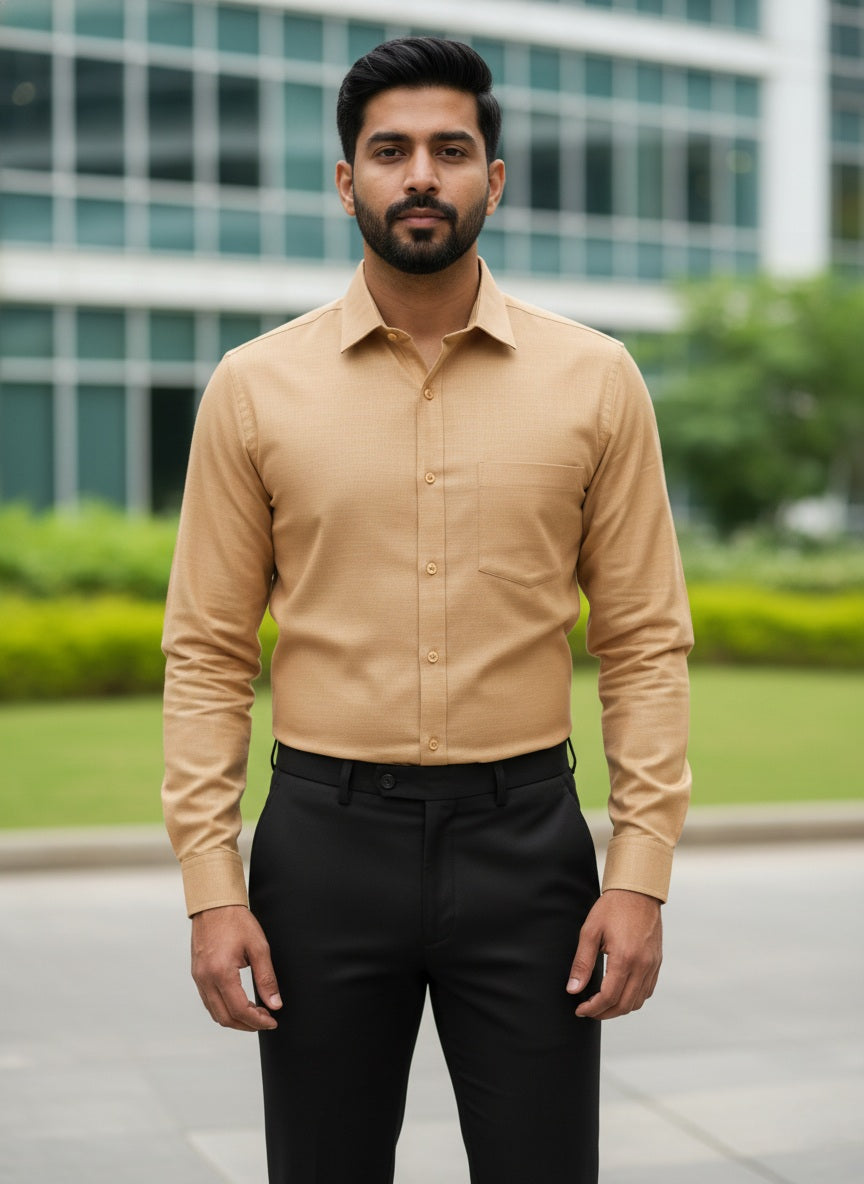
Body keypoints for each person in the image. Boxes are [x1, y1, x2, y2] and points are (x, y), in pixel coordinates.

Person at [161, 36, 692, 1184]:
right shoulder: (255, 388)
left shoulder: (596, 378)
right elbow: (205, 653)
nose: (421, 176)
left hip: (529, 845)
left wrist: (638, 871)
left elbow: (646, 640)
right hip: (321, 847)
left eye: (451, 150)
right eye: (389, 151)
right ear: (346, 180)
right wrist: (212, 889)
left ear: (493, 179)